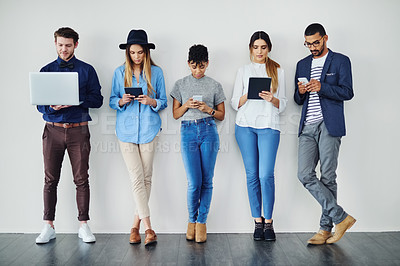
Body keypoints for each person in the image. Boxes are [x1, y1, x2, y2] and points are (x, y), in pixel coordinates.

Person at [36, 27, 103, 244]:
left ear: (76, 44)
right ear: (55, 44)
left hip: (79, 130)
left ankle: (83, 225)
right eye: (60, 45)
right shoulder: (45, 71)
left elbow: (98, 100)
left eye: (68, 45)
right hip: (53, 130)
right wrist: (52, 108)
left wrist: (77, 100)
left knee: (81, 179)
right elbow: (39, 105)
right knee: (50, 179)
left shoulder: (87, 70)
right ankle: (48, 225)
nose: (64, 49)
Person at [294, 23, 355, 245]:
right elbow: (298, 99)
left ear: (325, 38)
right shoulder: (302, 64)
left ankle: (324, 229)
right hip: (307, 126)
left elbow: (347, 92)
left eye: (316, 42)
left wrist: (322, 87)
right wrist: (300, 93)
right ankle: (342, 218)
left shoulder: (341, 61)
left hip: (329, 125)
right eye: (308, 43)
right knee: (304, 174)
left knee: (328, 177)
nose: (312, 47)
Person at [109, 29, 167, 246]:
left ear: (146, 52)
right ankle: (149, 228)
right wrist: (122, 101)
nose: (136, 56)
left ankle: (134, 227)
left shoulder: (157, 73)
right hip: (125, 131)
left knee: (146, 177)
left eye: (140, 52)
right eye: (132, 52)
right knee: (136, 177)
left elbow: (163, 101)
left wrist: (151, 102)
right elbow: (112, 100)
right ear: (127, 52)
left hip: (150, 130)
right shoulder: (118, 72)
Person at [231, 31, 287, 241]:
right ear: (250, 48)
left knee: (266, 175)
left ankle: (269, 223)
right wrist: (249, 94)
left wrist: (272, 99)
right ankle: (257, 221)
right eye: (256, 47)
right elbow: (234, 103)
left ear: (269, 48)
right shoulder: (243, 70)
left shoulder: (278, 70)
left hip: (269, 126)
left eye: (263, 47)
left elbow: (284, 105)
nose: (259, 51)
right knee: (252, 175)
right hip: (244, 127)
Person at [170, 44, 225, 243]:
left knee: (207, 181)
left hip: (209, 129)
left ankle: (202, 222)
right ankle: (191, 221)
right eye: (194, 66)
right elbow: (175, 115)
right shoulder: (180, 84)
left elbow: (221, 115)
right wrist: (186, 105)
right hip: (188, 131)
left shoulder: (215, 85)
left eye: (201, 66)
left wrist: (207, 108)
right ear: (188, 64)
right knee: (194, 182)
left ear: (207, 64)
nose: (197, 70)